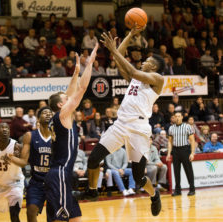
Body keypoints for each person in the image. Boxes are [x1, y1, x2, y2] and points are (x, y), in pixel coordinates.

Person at [85, 28, 164, 216]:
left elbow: (131, 69)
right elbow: (118, 57)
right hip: (120, 125)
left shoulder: (157, 79)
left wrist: (113, 49)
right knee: (94, 159)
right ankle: (92, 191)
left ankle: (154, 195)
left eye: (148, 61)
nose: (144, 61)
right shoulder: (135, 78)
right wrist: (129, 35)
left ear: (153, 67)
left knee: (138, 177)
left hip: (139, 128)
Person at [45, 44, 98, 222]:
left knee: (74, 217)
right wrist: (88, 64)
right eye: (66, 100)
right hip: (59, 172)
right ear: (61, 105)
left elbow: (69, 92)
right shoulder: (63, 114)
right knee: (61, 219)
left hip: (60, 174)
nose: (69, 98)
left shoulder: (57, 115)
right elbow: (81, 89)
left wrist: (75, 73)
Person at [25, 107, 53, 222]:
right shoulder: (31, 135)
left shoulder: (58, 136)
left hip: (53, 182)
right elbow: (23, 160)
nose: (47, 115)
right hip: (36, 181)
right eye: (44, 113)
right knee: (31, 211)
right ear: (38, 118)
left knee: (53, 216)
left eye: (50, 113)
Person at [166, 112, 196, 196]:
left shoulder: (187, 127)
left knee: (188, 170)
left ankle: (192, 189)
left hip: (185, 149)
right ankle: (178, 190)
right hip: (175, 151)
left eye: (179, 116)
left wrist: (192, 153)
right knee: (176, 171)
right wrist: (168, 153)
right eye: (176, 116)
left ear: (182, 117)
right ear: (174, 118)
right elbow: (170, 142)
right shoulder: (171, 128)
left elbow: (192, 140)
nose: (177, 118)